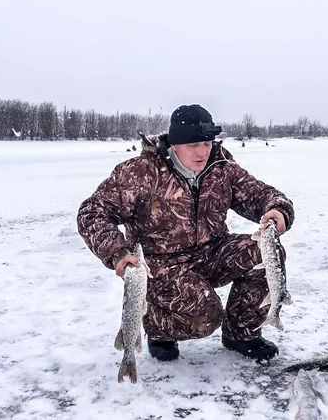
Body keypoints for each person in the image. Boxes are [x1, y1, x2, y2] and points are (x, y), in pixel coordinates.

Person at [77, 104, 294, 362]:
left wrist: (277, 210)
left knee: (265, 253)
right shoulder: (140, 173)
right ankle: (158, 329)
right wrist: (118, 253)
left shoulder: (221, 165)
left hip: (212, 251)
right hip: (162, 266)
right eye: (193, 145)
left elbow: (260, 194)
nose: (203, 152)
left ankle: (241, 333)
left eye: (207, 143)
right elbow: (92, 213)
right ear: (175, 144)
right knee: (206, 317)